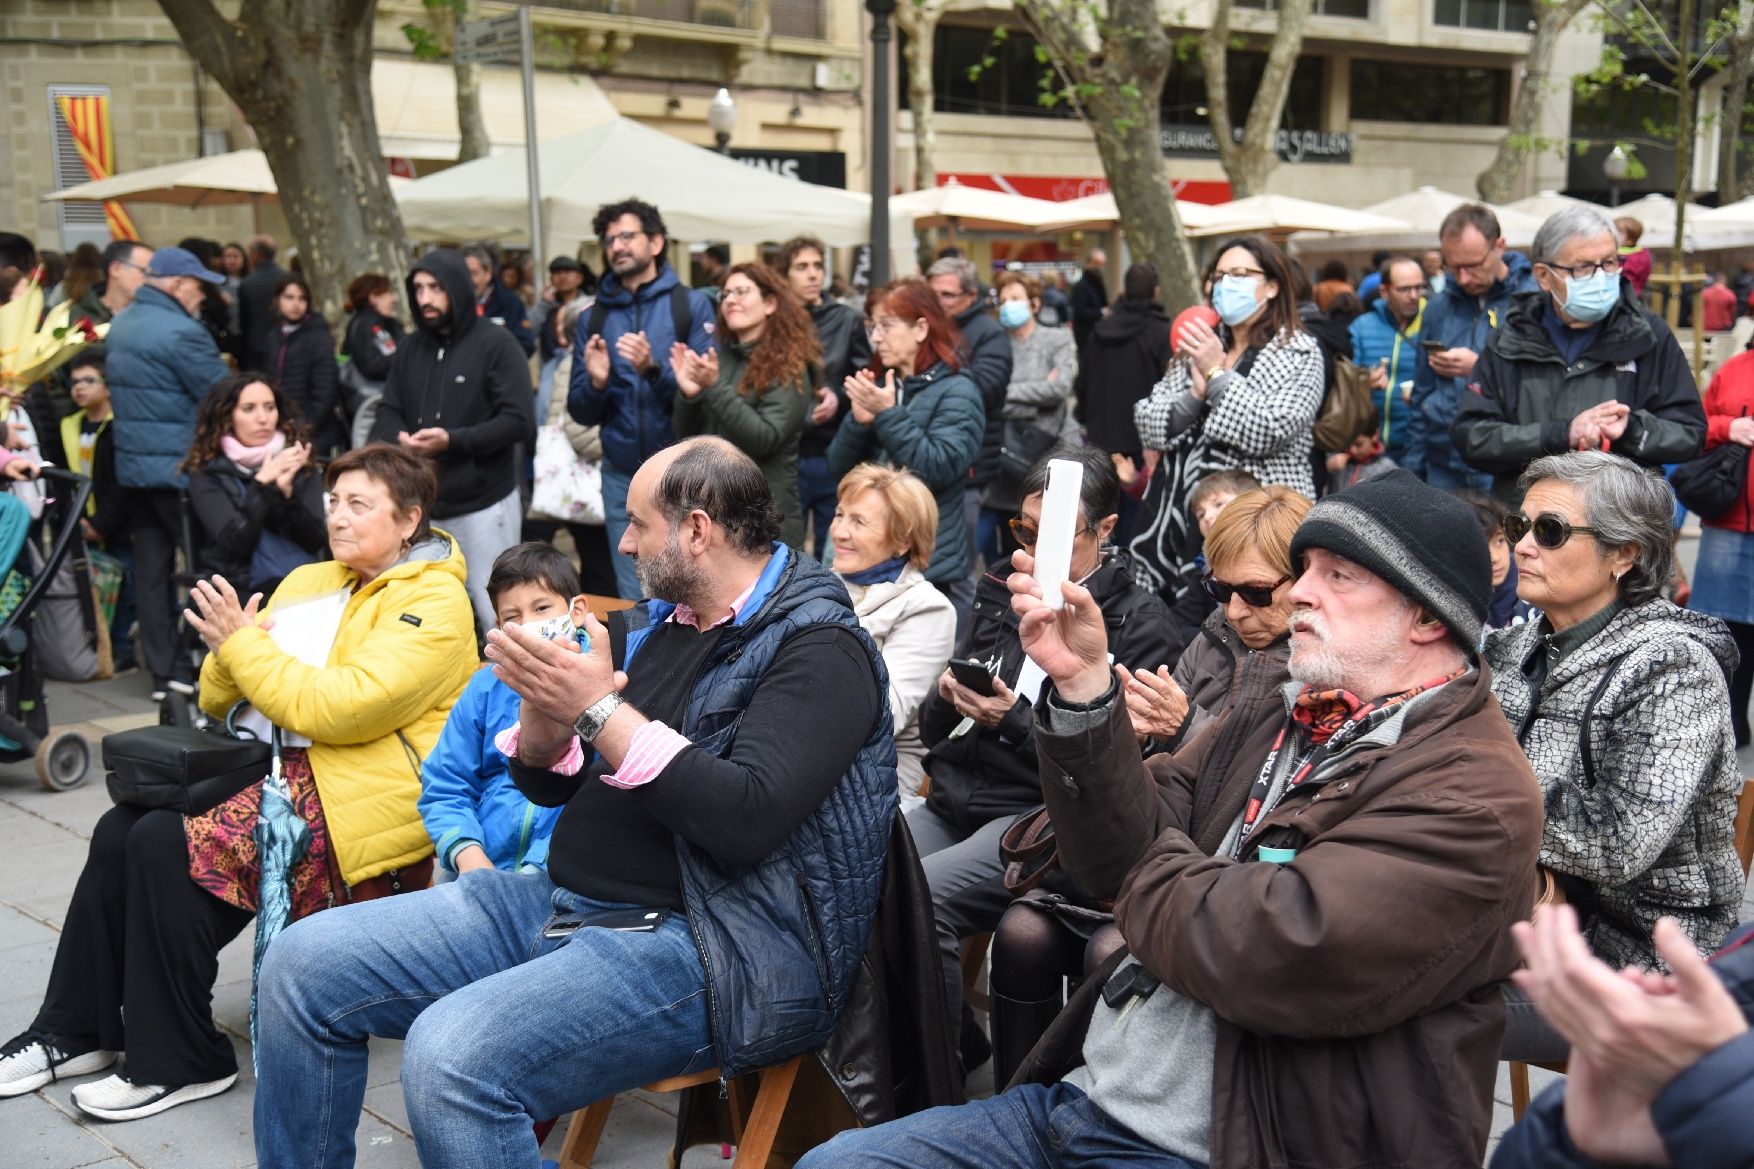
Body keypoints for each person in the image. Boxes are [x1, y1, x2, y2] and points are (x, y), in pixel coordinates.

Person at [804, 467, 1544, 1169]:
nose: (1302, 592)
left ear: (1423, 616)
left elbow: (1274, 946)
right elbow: (1113, 849)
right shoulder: (1283, 708)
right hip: (1090, 1099)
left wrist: (1144, 870)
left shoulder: (1474, 789)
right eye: (1304, 566)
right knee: (831, 1160)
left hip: (1239, 1144)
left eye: (1337, 575)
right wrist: (1086, 689)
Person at [250, 436, 894, 1168]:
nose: (622, 540)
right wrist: (545, 714)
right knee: (301, 962)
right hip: (561, 900)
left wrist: (594, 707)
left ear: (697, 529)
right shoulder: (662, 622)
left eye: (638, 523)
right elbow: (549, 782)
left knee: (452, 1056)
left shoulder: (820, 648)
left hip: (711, 944)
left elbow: (742, 820)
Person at [0, 443, 475, 1120]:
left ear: (409, 520)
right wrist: (232, 648)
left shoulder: (435, 600)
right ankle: (75, 1030)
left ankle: (184, 1057)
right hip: (282, 766)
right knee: (119, 828)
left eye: (359, 504)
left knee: (165, 842)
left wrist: (244, 646)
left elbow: (340, 706)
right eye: (333, 500)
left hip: (365, 795)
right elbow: (219, 696)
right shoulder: (314, 578)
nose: (337, 517)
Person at [984, 484, 1308, 1088]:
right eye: (1220, 588)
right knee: (1022, 932)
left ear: (1308, 582)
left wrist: (1183, 727)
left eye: (1257, 593)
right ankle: (1017, 1101)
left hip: (1210, 873)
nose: (1235, 610)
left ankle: (1099, 1107)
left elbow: (1273, 772)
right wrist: (1117, 730)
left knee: (1110, 951)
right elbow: (1155, 767)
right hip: (1141, 844)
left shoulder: (1313, 660)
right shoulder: (1215, 636)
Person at [910, 445, 1177, 1075]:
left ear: (1107, 531)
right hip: (958, 795)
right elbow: (930, 727)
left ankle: (934, 1079)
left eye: (1052, 534)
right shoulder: (1005, 584)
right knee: (853, 875)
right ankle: (941, 1045)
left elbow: (1112, 774)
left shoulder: (1137, 621)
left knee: (917, 897)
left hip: (1037, 819)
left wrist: (1011, 721)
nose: (1032, 547)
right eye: (1023, 530)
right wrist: (950, 698)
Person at [1484, 450, 1745, 973]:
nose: (1524, 547)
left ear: (1623, 554)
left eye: (1550, 531)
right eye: (1520, 525)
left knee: (1408, 993)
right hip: (1526, 907)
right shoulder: (1514, 648)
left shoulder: (1674, 668)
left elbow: (1615, 843)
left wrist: (1470, 794)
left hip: (1639, 951)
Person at [1453, 206, 1705, 501]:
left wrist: (1630, 430)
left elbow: (1689, 433)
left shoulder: (1649, 335)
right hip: (1529, 525)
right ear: (1544, 276)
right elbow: (1473, 437)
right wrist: (1561, 434)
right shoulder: (1510, 338)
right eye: (1583, 267)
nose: (1601, 277)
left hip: (1618, 524)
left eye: (1610, 262)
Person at [1128, 235, 1325, 596]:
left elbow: (1268, 429)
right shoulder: (1200, 343)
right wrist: (1193, 396)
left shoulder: (1298, 350)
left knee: (1246, 609)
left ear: (1271, 286)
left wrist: (1217, 374)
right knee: (1177, 618)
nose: (1224, 285)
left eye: (1238, 274)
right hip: (1179, 515)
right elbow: (1148, 421)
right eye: (1218, 277)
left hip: (1257, 517)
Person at [1488, 907, 1754, 1169]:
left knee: (1463, 1022)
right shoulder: (1740, 958)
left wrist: (1718, 1086)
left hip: (1641, 970)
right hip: (1628, 981)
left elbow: (1618, 864)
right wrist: (1572, 1146)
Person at [369, 248, 535, 634]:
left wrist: (452, 441)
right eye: (419, 289)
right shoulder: (410, 347)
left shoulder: (497, 343)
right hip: (421, 508)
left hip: (483, 503)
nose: (425, 298)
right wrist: (398, 439)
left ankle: (508, 691)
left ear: (458, 289)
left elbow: (519, 422)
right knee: (424, 618)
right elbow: (388, 408)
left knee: (496, 612)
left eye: (436, 288)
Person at [568, 198, 718, 600]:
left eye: (627, 236)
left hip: (685, 475)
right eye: (610, 239)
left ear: (655, 243)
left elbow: (705, 397)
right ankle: (643, 664)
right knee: (637, 591)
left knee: (693, 585)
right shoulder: (593, 318)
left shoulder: (688, 305)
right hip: (622, 476)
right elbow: (579, 410)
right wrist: (597, 382)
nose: (617, 246)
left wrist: (653, 370)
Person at [107, 245, 233, 699]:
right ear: (178, 286)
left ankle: (163, 672)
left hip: (135, 469)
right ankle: (201, 660)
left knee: (152, 571)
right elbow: (224, 397)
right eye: (199, 287)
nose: (203, 296)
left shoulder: (122, 325)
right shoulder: (182, 331)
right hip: (180, 473)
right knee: (206, 569)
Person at [826, 277, 985, 630]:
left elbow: (939, 467)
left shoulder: (958, 391)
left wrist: (887, 415)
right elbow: (838, 471)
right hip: (873, 557)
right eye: (872, 327)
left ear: (921, 328)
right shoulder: (885, 385)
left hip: (928, 562)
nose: (876, 337)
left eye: (886, 325)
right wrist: (859, 421)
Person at [418, 542, 573, 879]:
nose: (527, 625)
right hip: (478, 867)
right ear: (498, 624)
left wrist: (536, 868)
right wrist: (468, 855)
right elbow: (446, 782)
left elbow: (595, 797)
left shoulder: (596, 681)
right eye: (512, 617)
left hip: (558, 873)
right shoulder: (484, 687)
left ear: (576, 611)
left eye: (542, 608)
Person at [830, 463, 955, 802]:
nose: (839, 531)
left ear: (902, 541)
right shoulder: (825, 583)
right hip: (805, 752)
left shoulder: (927, 608)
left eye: (858, 521)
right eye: (840, 515)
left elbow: (887, 712)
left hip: (876, 774)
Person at [670, 262, 816, 550]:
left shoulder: (788, 366)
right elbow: (686, 439)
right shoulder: (719, 360)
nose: (731, 300)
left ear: (771, 303)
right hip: (713, 510)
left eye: (742, 291)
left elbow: (764, 438)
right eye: (725, 294)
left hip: (765, 518)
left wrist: (713, 387)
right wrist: (689, 396)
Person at [1407, 202, 1536, 490]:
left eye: (1473, 265)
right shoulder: (1438, 308)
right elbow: (1421, 394)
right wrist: (1412, 471)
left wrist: (1479, 367)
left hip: (1510, 466)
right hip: (1444, 464)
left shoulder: (1533, 300)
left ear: (1499, 246)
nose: (1463, 278)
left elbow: (1545, 385)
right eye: (1453, 267)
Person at [182, 372, 326, 600]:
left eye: (270, 407)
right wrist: (262, 486)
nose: (263, 418)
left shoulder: (298, 461)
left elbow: (316, 541)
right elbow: (235, 544)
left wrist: (287, 497)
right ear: (227, 416)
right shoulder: (206, 471)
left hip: (299, 588)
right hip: (237, 591)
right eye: (249, 409)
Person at [775, 235, 872, 560]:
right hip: (786, 452)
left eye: (818, 266)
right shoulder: (773, 321)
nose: (813, 274)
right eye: (802, 267)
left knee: (836, 554)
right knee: (784, 554)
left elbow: (863, 377)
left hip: (833, 454)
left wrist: (839, 396)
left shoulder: (846, 320)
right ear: (785, 274)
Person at [926, 255, 1015, 581]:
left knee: (958, 571)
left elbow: (986, 389)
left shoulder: (988, 333)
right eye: (932, 293)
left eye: (946, 295)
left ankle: (962, 633)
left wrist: (935, 378)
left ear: (971, 296)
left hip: (970, 468)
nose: (937, 302)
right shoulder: (928, 329)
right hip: (929, 463)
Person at [982, 270, 1077, 561]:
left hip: (1042, 451)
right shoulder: (995, 344)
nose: (1009, 305)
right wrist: (1037, 399)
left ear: (1034, 304)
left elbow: (1060, 388)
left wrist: (1008, 393)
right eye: (1005, 299)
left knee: (1033, 542)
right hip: (1001, 453)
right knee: (998, 544)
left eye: (1016, 298)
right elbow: (989, 397)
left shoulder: (1056, 338)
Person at [1690, 343, 1754, 744]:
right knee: (1723, 628)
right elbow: (1695, 426)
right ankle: (1729, 720)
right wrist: (1727, 428)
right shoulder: (1732, 369)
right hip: (1729, 518)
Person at [62, 349, 134, 669]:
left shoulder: (118, 425)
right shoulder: (69, 426)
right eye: (75, 382)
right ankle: (99, 651)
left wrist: (101, 523)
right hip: (81, 522)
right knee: (93, 592)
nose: (79, 387)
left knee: (124, 589)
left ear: (107, 386)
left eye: (88, 380)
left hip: (116, 524)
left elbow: (122, 483)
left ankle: (122, 651)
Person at [1074, 261, 1173, 475]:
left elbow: (1083, 380)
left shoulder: (1099, 331)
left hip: (1101, 434)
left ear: (1124, 292)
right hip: (1146, 440)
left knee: (1103, 502)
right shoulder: (1162, 332)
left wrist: (1083, 416)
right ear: (1156, 292)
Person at [248, 273, 342, 455]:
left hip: (314, 431)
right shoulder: (273, 336)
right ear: (278, 300)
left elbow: (325, 389)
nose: (296, 304)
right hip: (281, 427)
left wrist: (307, 426)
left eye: (302, 298)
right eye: (289, 297)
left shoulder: (318, 337)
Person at [1347, 254, 1425, 463]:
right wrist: (1364, 380)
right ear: (1384, 291)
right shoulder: (1362, 326)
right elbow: (1344, 380)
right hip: (1370, 447)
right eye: (1404, 289)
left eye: (1419, 287)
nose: (1414, 295)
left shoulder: (1432, 323)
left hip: (1417, 445)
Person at [1457, 489, 1533, 631]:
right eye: (1480, 546)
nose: (1495, 558)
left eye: (1499, 541)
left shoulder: (1531, 593)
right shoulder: (1450, 598)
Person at [534, 255, 591, 424]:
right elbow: (528, 331)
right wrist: (543, 304)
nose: (562, 276)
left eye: (568, 271)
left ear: (579, 277)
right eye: (557, 272)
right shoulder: (547, 309)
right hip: (551, 374)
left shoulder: (591, 305)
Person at [462, 245, 534, 357]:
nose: (469, 280)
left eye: (474, 273)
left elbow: (526, 344)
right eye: (464, 274)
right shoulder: (453, 304)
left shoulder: (510, 303)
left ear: (487, 273)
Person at [1323, 403, 1400, 494]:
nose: (1352, 450)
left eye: (1358, 444)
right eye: (1347, 442)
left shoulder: (1387, 469)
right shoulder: (1334, 460)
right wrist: (1327, 467)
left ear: (1375, 435)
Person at [235, 234, 287, 354]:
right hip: (285, 343)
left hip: (256, 347)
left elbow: (244, 322)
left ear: (256, 254)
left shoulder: (247, 283)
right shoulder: (288, 278)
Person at [1069, 248, 1108, 353]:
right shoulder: (1080, 287)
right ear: (1088, 263)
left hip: (1099, 334)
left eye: (1102, 264)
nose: (1100, 267)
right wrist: (1102, 312)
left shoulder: (1099, 284)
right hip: (1085, 336)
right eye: (1096, 263)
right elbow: (1081, 312)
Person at [1617, 215, 1653, 296]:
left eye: (1619, 231)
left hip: (1629, 295)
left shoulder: (1641, 254)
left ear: (1630, 238)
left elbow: (1644, 274)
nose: (1614, 234)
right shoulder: (1644, 253)